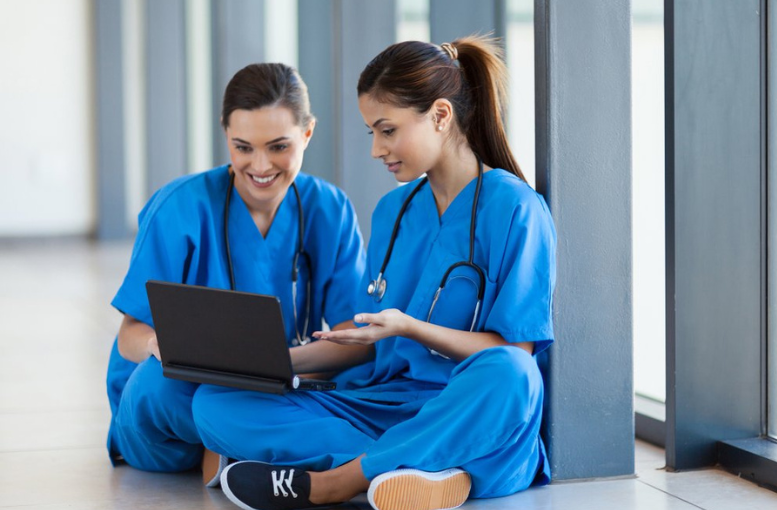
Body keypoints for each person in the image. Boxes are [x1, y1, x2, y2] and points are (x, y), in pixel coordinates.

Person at [193, 35, 557, 510]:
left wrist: (410, 327)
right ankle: (421, 468)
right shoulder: (394, 211)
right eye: (372, 133)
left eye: (387, 130)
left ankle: (337, 481)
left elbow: (514, 349)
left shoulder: (517, 209)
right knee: (214, 401)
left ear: (441, 116)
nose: (376, 149)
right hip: (381, 404)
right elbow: (369, 344)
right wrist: (272, 363)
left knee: (513, 375)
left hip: (464, 403)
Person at [105, 63, 366, 486]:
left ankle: (242, 451)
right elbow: (129, 336)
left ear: (308, 133)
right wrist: (167, 348)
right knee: (159, 384)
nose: (260, 166)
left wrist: (280, 369)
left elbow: (352, 340)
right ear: (225, 134)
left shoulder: (330, 209)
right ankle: (268, 449)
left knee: (367, 379)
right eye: (243, 147)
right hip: (178, 401)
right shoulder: (179, 207)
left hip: (281, 383)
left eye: (278, 146)